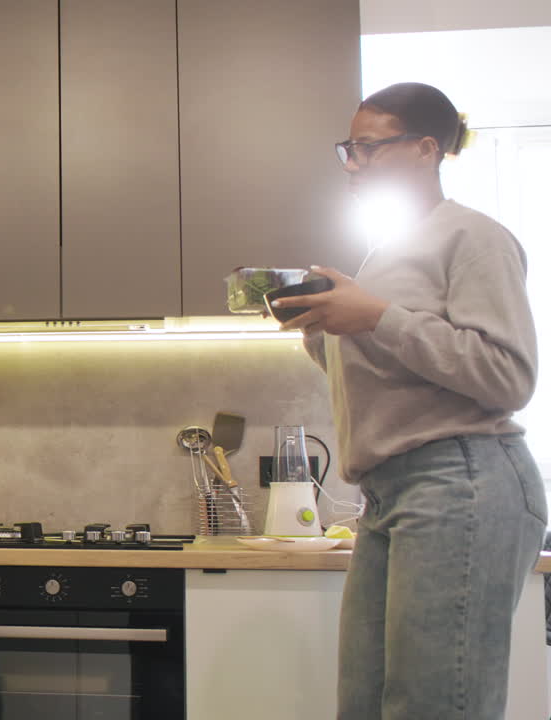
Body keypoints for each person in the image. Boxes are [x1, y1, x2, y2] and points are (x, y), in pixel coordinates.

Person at [272, 82, 547, 718]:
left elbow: (508, 375)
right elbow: (396, 368)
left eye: (368, 150)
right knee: (365, 705)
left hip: (461, 481)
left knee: (434, 707)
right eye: (348, 150)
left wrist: (375, 316)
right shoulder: (384, 255)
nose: (352, 166)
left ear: (426, 150)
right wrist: (322, 330)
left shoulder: (473, 237)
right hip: (394, 493)